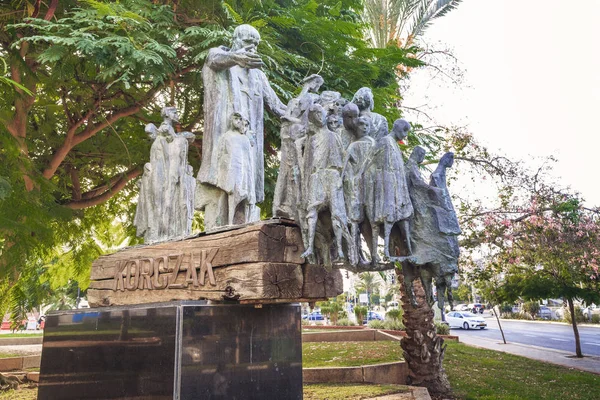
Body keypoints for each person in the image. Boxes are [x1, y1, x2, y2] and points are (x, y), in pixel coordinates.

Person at [196, 24, 287, 229]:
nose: (252, 48)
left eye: (256, 44)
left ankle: (240, 223)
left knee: (245, 185)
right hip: (226, 139)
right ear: (235, 41)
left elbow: (277, 106)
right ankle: (230, 223)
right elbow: (214, 61)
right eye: (247, 42)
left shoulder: (258, 75)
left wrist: (306, 109)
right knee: (229, 181)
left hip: (248, 142)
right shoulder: (220, 55)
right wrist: (236, 57)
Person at [299, 104, 352, 265]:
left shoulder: (334, 136)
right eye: (316, 116)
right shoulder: (313, 139)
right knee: (312, 210)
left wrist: (341, 178)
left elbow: (343, 159)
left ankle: (341, 251)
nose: (319, 118)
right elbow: (308, 163)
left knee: (337, 212)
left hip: (332, 174)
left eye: (321, 114)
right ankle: (309, 246)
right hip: (317, 175)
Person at [273, 74, 323, 219]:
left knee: (294, 173)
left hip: (299, 140)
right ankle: (283, 206)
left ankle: (291, 206)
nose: (317, 87)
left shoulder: (309, 99)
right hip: (291, 139)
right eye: (317, 84)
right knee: (289, 172)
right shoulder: (299, 100)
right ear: (312, 82)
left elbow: (299, 120)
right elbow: (287, 119)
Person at [363, 119, 413, 264]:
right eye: (404, 132)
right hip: (386, 188)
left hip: (397, 187)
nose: (404, 136)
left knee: (403, 216)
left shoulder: (395, 146)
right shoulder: (385, 141)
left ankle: (407, 249)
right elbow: (375, 165)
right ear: (397, 128)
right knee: (387, 218)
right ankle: (385, 252)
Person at [341, 116, 376, 265]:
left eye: (367, 125)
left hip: (371, 186)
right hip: (355, 187)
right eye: (361, 124)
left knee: (372, 222)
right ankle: (354, 254)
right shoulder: (353, 146)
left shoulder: (373, 144)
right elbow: (344, 165)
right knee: (354, 221)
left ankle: (375, 256)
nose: (364, 127)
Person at [214, 113, 256, 225]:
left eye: (239, 119)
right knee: (232, 194)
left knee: (245, 197)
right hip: (232, 170)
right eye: (235, 119)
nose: (238, 121)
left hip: (244, 172)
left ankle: (244, 219)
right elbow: (221, 155)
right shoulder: (227, 136)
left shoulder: (244, 138)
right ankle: (229, 221)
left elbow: (248, 159)